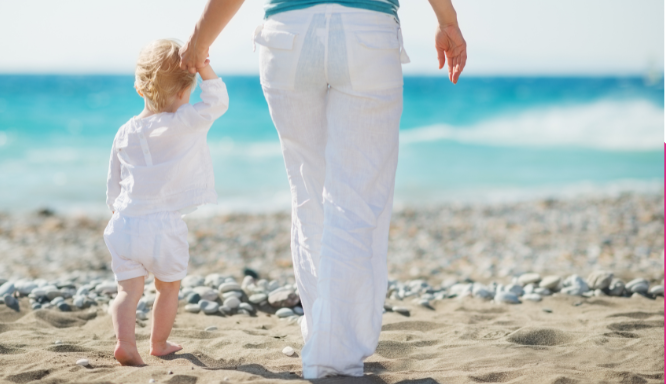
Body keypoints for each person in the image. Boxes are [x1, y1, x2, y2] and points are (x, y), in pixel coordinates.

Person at [179, 0, 467, 378]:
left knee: (309, 194)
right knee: (357, 201)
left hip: (288, 34)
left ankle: (323, 335)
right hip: (367, 29)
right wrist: (447, 20)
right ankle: (333, 355)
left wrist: (199, 42)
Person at [103, 39, 229, 366]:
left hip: (124, 223)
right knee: (167, 288)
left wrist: (116, 209)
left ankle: (124, 342)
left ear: (138, 89)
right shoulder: (185, 122)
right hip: (162, 226)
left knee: (127, 292)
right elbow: (218, 101)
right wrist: (202, 65)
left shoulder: (125, 132)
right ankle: (158, 344)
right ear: (184, 94)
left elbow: (114, 181)